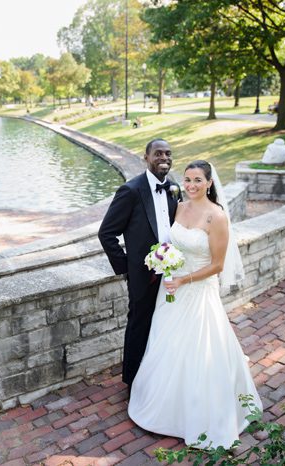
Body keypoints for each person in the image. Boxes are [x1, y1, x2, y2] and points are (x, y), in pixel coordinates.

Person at [128, 160, 262, 449]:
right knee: (167, 344)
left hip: (198, 290)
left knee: (200, 349)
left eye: (198, 180)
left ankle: (200, 414)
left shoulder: (217, 217)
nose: (191, 185)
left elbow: (217, 265)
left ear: (210, 183)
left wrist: (184, 279)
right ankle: (163, 405)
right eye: (187, 179)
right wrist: (161, 258)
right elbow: (170, 242)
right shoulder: (179, 207)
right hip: (172, 289)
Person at [98, 138, 181, 387]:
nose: (164, 158)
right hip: (143, 275)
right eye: (158, 154)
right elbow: (107, 233)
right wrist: (127, 268)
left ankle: (157, 375)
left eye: (168, 153)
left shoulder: (175, 188)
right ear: (146, 157)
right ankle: (132, 380)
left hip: (171, 273)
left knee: (166, 323)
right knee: (139, 324)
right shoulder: (131, 190)